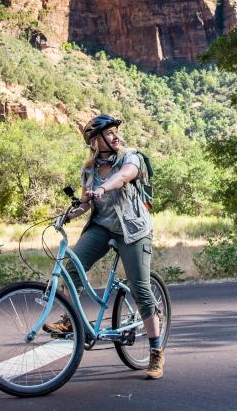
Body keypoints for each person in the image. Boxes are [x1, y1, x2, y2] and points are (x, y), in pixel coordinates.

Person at [45, 114, 165, 380]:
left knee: (140, 288)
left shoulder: (130, 156)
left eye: (115, 132)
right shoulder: (89, 170)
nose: (115, 136)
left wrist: (104, 187)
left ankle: (156, 351)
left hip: (133, 231)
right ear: (95, 141)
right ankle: (70, 318)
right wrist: (68, 214)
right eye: (108, 134)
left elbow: (124, 176)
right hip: (102, 227)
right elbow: (87, 203)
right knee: (71, 267)